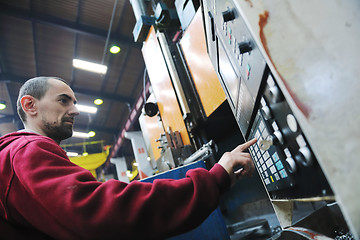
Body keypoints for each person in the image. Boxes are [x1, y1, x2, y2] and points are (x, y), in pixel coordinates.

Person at [0, 76, 257, 240]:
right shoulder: (27, 151)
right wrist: (215, 178)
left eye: (75, 102)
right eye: (64, 101)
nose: (75, 110)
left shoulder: (17, 155)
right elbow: (102, 212)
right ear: (29, 105)